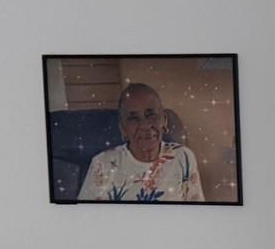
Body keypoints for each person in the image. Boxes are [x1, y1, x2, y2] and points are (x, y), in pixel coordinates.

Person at [78, 83, 206, 202]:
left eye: (151, 115)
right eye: (133, 118)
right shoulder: (102, 164)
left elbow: (196, 212)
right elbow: (88, 217)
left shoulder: (183, 157)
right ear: (123, 129)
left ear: (165, 121)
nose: (145, 125)